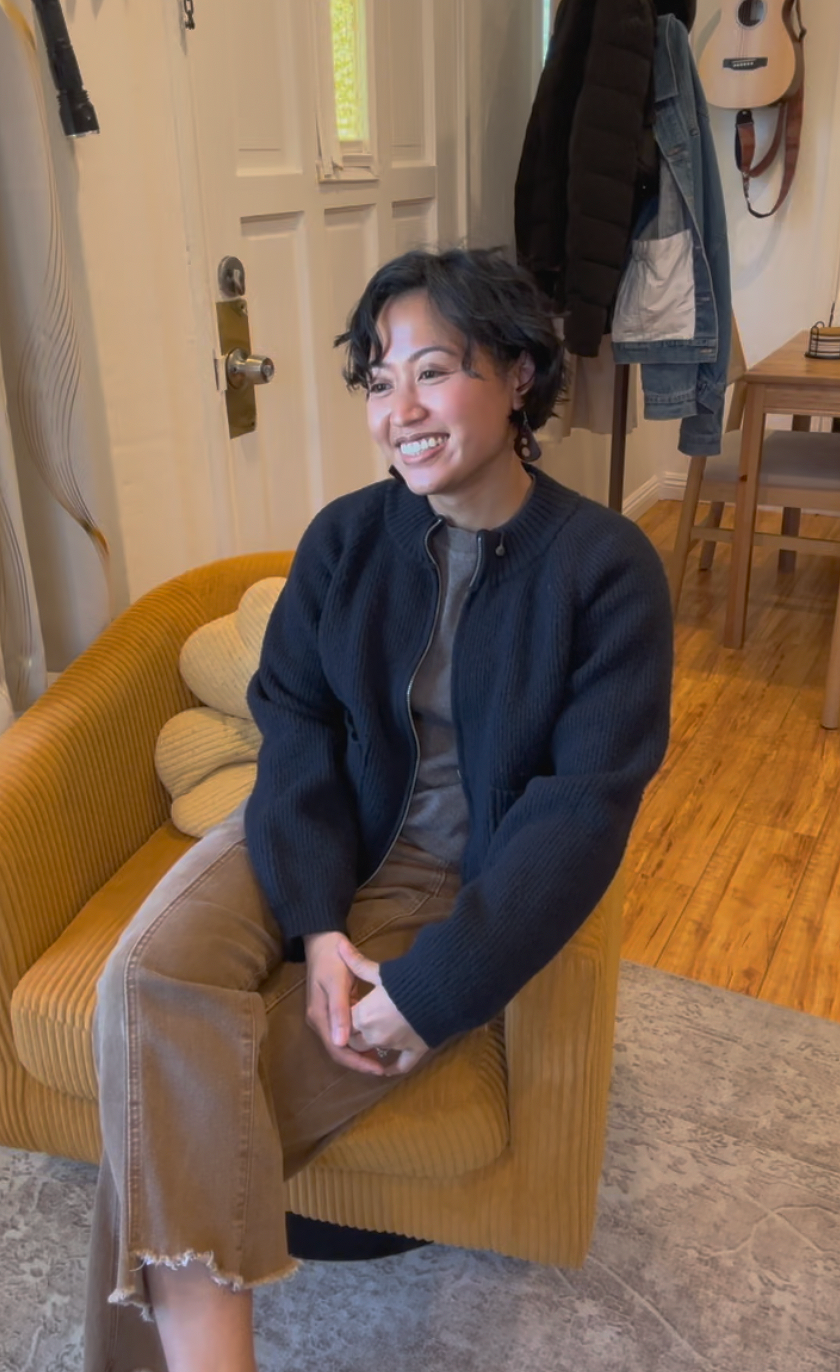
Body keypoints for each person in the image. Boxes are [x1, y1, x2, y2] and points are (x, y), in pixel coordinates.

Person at [84, 247, 673, 1372]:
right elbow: (296, 724)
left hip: (451, 878)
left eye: (434, 371)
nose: (399, 411)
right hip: (307, 831)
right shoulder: (346, 538)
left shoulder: (606, 568)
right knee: (143, 981)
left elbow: (584, 807)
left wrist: (438, 989)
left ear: (517, 374)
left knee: (175, 1105)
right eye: (378, 379)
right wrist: (315, 922)